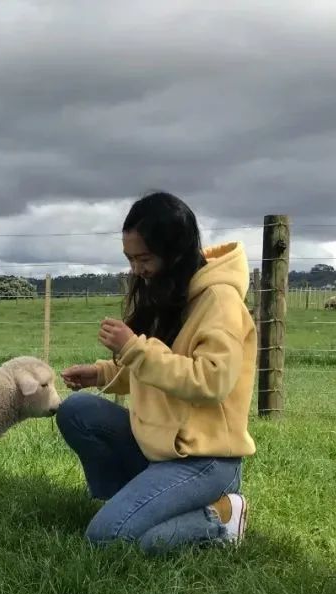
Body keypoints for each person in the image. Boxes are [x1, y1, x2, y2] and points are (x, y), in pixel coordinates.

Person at [56, 191, 256, 554]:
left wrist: (132, 348)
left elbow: (210, 382)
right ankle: (133, 504)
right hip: (160, 447)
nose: (136, 269)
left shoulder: (220, 301)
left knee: (106, 539)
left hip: (204, 458)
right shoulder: (168, 291)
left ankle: (222, 516)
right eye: (130, 258)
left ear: (175, 252)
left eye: (144, 258)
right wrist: (102, 374)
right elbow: (162, 367)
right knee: (77, 411)